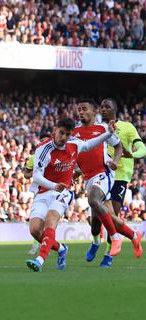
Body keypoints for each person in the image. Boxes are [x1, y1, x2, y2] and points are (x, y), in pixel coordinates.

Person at [26, 117, 117, 272]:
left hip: (64, 192)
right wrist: (54, 185)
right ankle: (61, 249)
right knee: (35, 231)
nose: (64, 137)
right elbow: (36, 177)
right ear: (55, 131)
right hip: (44, 192)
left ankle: (40, 260)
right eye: (61, 133)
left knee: (51, 219)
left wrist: (108, 133)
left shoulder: (74, 144)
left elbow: (89, 144)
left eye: (67, 134)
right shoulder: (43, 149)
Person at [74, 100, 142, 267]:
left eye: (84, 109)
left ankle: (111, 248)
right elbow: (79, 152)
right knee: (98, 222)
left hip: (111, 175)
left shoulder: (111, 128)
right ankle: (125, 236)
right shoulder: (74, 132)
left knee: (97, 203)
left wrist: (121, 159)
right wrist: (75, 171)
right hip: (90, 177)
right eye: (79, 110)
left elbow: (127, 147)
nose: (81, 112)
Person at [93, 98, 146, 267]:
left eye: (107, 106)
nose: (103, 109)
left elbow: (142, 148)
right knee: (96, 220)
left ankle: (109, 255)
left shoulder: (127, 127)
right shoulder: (97, 129)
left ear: (115, 110)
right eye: (101, 107)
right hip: (100, 175)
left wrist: (133, 154)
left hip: (119, 176)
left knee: (112, 216)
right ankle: (96, 241)